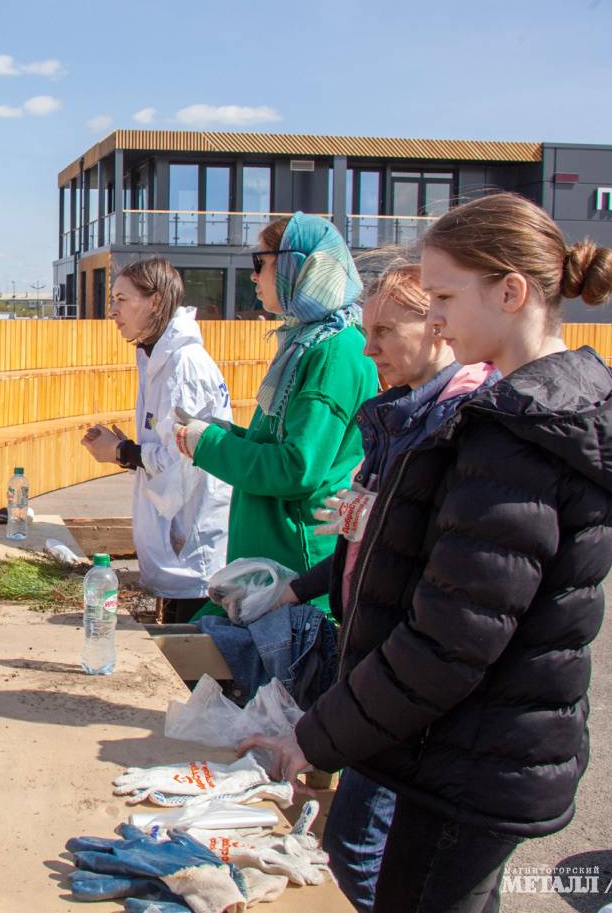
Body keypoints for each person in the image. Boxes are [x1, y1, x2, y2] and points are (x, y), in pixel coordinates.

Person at [242, 192, 612, 913]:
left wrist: (317, 735)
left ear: (511, 291)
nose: (432, 317)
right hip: (487, 744)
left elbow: (451, 636)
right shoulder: (536, 417)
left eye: (443, 295)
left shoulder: (518, 436)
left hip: (477, 750)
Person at [280, 261, 496, 912]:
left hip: (405, 683)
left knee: (362, 845)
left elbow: (452, 576)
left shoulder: (454, 423)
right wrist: (301, 583)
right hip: (380, 666)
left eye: (382, 331)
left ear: (437, 326)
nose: (367, 346)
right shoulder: (398, 419)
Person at [173, 212, 377, 615]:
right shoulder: (309, 341)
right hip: (275, 556)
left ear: (297, 267)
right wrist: (227, 433)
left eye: (260, 263)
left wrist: (211, 444)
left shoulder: (331, 353)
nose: (253, 276)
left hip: (293, 568)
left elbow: (297, 468)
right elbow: (285, 442)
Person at [80, 258, 233, 622]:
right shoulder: (157, 357)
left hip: (194, 550)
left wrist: (121, 451)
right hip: (181, 545)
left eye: (121, 299)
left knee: (194, 662)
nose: (112, 311)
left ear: (155, 302)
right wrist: (124, 450)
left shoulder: (183, 365)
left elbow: (182, 457)